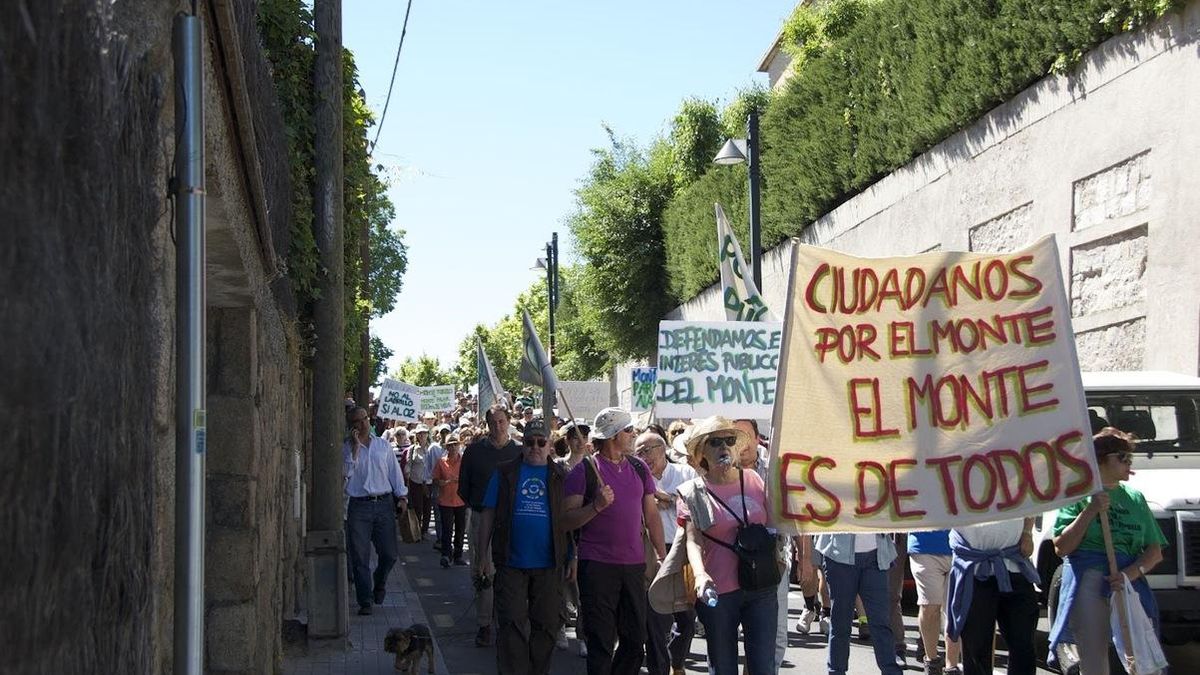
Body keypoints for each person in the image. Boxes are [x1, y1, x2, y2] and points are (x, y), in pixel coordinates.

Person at [1048, 428, 1166, 675]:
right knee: (1094, 657)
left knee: (1142, 657)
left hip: (1126, 583)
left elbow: (1154, 551)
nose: (1128, 462)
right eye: (1122, 457)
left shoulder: (1135, 498)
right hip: (1089, 581)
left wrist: (1130, 574)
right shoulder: (1077, 494)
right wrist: (1090, 510)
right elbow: (1062, 547)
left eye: (1130, 458)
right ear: (1100, 459)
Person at [668, 416, 779, 675]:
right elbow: (693, 540)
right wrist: (700, 574)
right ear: (702, 452)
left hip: (761, 585)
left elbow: (774, 523)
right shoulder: (693, 491)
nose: (723, 448)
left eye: (729, 441)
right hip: (718, 591)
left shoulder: (753, 480)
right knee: (723, 666)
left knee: (764, 667)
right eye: (715, 442)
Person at [562, 407, 666, 675]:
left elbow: (651, 515)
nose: (633, 435)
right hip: (596, 567)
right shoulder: (584, 470)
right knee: (601, 642)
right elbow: (566, 520)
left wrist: (662, 554)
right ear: (613, 435)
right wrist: (596, 505)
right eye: (629, 430)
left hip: (633, 566)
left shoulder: (639, 468)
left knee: (634, 641)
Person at [478, 418, 573, 675]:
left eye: (541, 442)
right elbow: (487, 514)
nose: (535, 447)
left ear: (550, 445)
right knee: (510, 625)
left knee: (546, 626)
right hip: (510, 561)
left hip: (549, 563)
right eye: (529, 442)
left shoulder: (561, 476)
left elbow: (568, 521)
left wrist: (571, 558)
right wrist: (482, 556)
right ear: (523, 444)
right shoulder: (504, 472)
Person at [458, 403, 523, 647]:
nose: (498, 426)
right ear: (486, 424)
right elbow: (463, 488)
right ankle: (484, 624)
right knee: (483, 571)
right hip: (480, 518)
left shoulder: (519, 451)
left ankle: (507, 621)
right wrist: (481, 508)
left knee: (510, 572)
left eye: (502, 421)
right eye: (493, 422)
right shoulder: (474, 452)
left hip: (512, 521)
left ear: (509, 422)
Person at [636, 430, 698, 675]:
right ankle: (658, 669)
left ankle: (677, 663)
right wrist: (651, 498)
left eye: (646, 451)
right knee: (657, 620)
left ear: (662, 449)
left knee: (686, 619)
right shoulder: (638, 476)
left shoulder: (685, 473)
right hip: (653, 551)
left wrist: (669, 499)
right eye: (638, 452)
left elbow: (695, 506)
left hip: (683, 551)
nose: (643, 456)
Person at [945, 517, 1039, 675]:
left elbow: (1031, 500)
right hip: (974, 571)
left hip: (1014, 566)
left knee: (1024, 644)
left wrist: (1027, 532)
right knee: (976, 647)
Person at [734, 418, 790, 671]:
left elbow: (793, 514)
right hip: (731, 562)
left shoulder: (776, 472)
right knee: (729, 634)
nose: (743, 443)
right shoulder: (722, 474)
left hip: (772, 561)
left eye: (747, 435)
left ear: (758, 438)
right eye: (736, 436)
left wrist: (807, 559)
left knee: (775, 634)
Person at [343, 406, 408, 615]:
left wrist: (402, 496)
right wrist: (354, 450)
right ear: (351, 426)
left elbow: (394, 473)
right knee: (360, 557)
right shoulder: (347, 448)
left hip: (383, 504)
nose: (362, 424)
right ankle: (365, 601)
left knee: (389, 554)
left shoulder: (383, 446)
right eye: (357, 422)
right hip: (359, 506)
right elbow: (345, 474)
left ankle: (379, 583)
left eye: (364, 420)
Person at [815, 528, 902, 675]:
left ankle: (891, 671)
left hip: (876, 556)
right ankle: (836, 671)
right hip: (839, 556)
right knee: (840, 623)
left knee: (881, 624)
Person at [908, 529, 961, 675]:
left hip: (960, 546)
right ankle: (932, 661)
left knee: (955, 609)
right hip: (924, 546)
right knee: (930, 606)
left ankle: (952, 665)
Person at [433, 434, 467, 567]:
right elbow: (435, 479)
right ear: (446, 447)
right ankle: (446, 555)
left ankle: (458, 555)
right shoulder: (441, 462)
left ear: (459, 446)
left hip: (460, 500)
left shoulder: (464, 461)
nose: (453, 447)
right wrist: (441, 482)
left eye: (455, 444)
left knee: (460, 529)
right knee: (447, 529)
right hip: (445, 501)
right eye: (450, 445)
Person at [406, 424, 434, 540]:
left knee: (427, 508)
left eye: (424, 433)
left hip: (429, 482)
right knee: (418, 507)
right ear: (417, 435)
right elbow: (408, 465)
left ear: (428, 434)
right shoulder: (412, 449)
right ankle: (416, 531)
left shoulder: (432, 448)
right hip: (415, 482)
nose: (422, 435)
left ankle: (424, 531)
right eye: (420, 433)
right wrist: (407, 479)